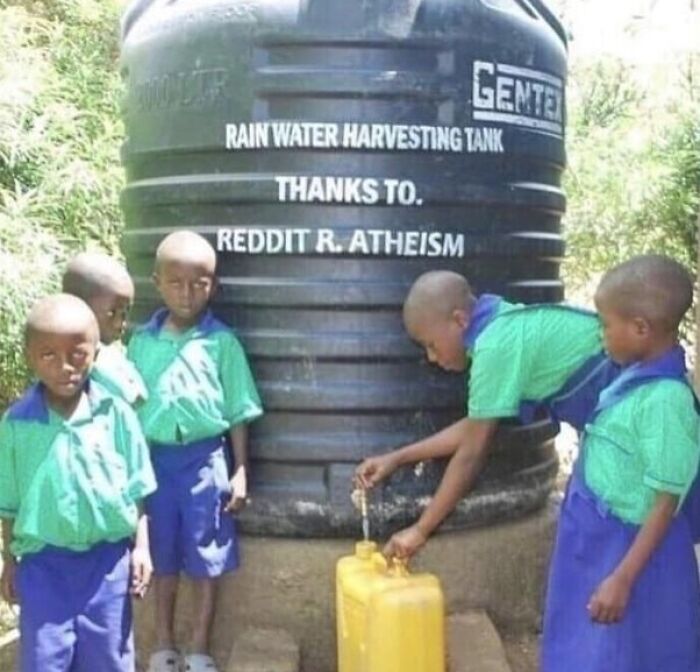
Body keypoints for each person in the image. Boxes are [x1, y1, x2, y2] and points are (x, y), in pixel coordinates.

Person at [355, 270, 618, 559]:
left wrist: (420, 529)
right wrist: (397, 458)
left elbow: (471, 453)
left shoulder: (494, 347)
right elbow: (475, 427)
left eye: (431, 344)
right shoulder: (498, 323)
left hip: (625, 423)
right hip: (613, 419)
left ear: (459, 320)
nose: (431, 357)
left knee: (601, 532)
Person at [541, 254, 700, 672]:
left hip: (631, 553)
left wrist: (624, 578)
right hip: (595, 544)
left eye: (606, 324)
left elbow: (667, 500)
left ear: (641, 329)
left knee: (624, 652)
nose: (601, 334)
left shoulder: (667, 403)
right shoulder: (631, 377)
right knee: (584, 645)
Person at [127, 230, 263, 672]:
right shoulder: (141, 343)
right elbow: (127, 414)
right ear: (157, 283)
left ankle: (200, 649)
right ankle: (164, 645)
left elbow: (239, 409)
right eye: (176, 283)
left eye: (199, 284)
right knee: (162, 557)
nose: (187, 294)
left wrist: (240, 468)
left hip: (207, 462)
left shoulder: (222, 343)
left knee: (208, 557)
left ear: (214, 286)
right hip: (154, 465)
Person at [0, 294, 156, 672]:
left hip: (107, 566)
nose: (65, 367)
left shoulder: (116, 414)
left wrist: (142, 549)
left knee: (108, 660)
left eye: (78, 353)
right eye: (48, 355)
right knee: (43, 661)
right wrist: (8, 561)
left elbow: (137, 488)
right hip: (43, 567)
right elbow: (8, 502)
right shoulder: (17, 425)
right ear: (30, 356)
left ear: (95, 352)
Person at [62, 251, 147, 406]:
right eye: (112, 313)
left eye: (125, 313)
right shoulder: (67, 370)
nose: (120, 323)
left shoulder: (109, 354)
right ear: (79, 306)